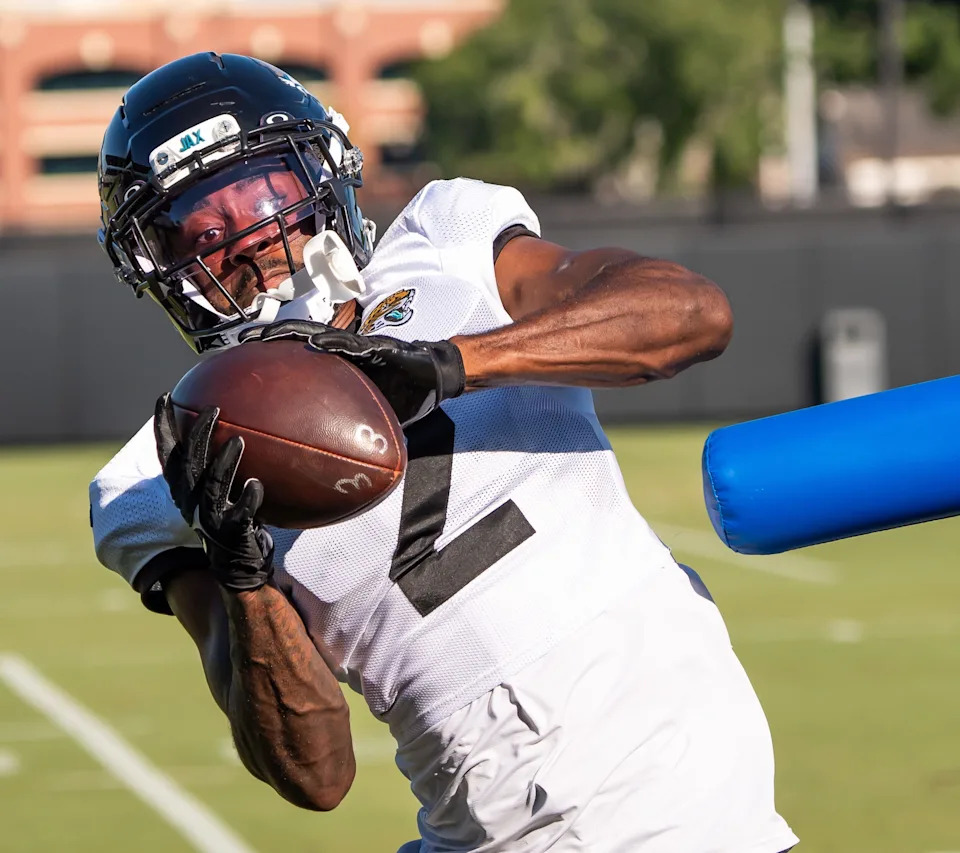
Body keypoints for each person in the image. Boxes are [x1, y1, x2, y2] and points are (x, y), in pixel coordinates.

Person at [91, 52, 798, 853]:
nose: (248, 238)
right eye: (201, 228)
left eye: (261, 192)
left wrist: (453, 362)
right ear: (156, 263)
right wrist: (242, 575)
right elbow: (313, 770)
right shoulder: (160, 471)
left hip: (685, 790)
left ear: (323, 169)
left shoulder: (444, 237)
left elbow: (691, 315)